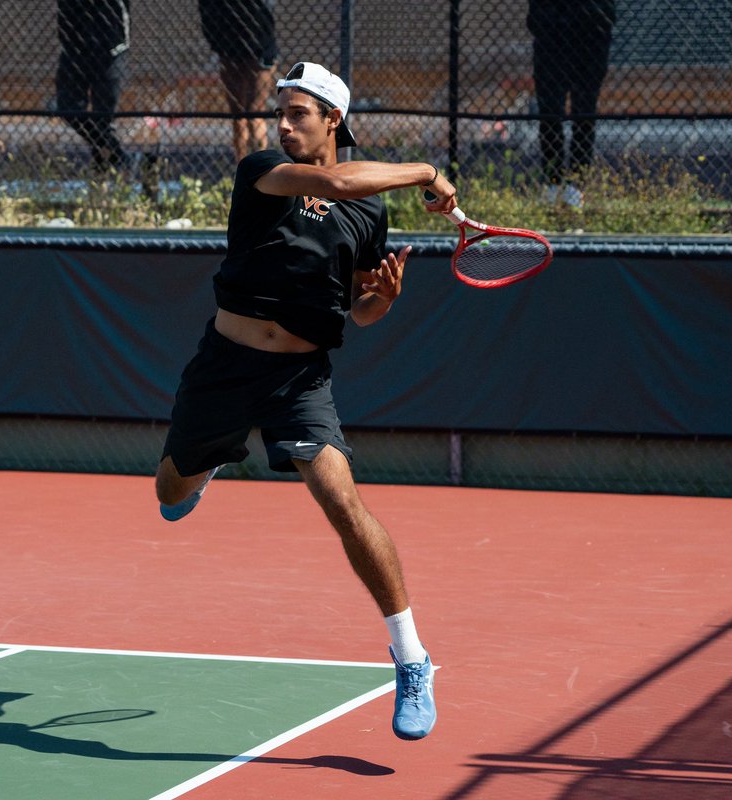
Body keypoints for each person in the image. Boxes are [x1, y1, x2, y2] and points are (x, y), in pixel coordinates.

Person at [154, 61, 456, 741]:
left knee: (342, 500)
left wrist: (383, 299)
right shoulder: (263, 169)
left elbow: (358, 308)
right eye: (280, 113)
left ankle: (411, 658)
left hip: (298, 382)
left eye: (299, 115)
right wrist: (427, 171)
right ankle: (211, 462)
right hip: (224, 369)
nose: (283, 125)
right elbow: (337, 181)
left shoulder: (368, 212)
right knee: (170, 496)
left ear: (333, 122)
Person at [528, 0, 616, 208]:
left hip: (590, 41)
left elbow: (607, 13)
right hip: (552, 42)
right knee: (550, 112)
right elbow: (536, 16)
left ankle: (577, 185)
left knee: (584, 113)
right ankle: (553, 182)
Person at [197, 0, 277, 162]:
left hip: (255, 48)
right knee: (242, 113)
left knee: (253, 112)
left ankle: (258, 168)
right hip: (233, 49)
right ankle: (245, 168)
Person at [55, 0, 129, 174]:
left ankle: (105, 174)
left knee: (103, 119)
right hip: (74, 47)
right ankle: (116, 154)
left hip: (109, 46)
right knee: (68, 109)